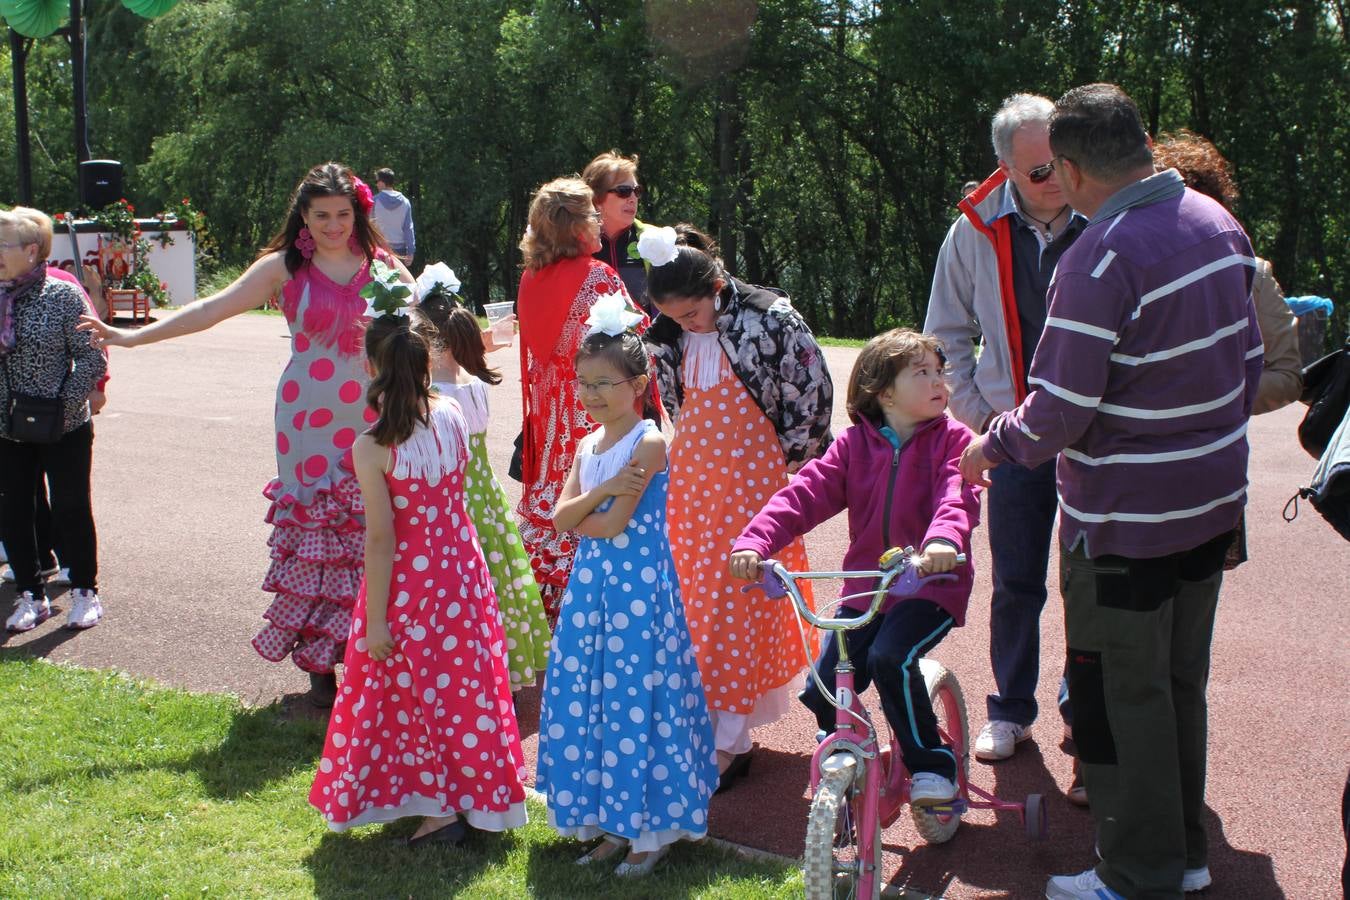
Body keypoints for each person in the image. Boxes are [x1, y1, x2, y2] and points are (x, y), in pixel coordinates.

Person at [957, 84, 1262, 900]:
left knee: (1121, 695)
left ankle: (1137, 873)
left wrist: (992, 448)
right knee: (1175, 685)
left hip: (1125, 522)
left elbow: (1055, 413)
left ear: (1076, 166)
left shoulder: (1102, 256)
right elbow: (1251, 364)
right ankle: (1185, 853)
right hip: (1209, 509)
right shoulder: (1217, 224)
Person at [80, 162, 412, 706]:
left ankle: (368, 653)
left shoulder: (387, 269)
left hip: (376, 416)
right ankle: (321, 670)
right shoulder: (283, 267)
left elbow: (414, 340)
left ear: (359, 213)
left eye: (343, 214)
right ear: (303, 216)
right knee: (320, 530)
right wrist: (130, 338)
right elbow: (210, 309)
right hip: (306, 419)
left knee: (374, 525)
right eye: (321, 215)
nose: (333, 225)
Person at [731, 329, 982, 807]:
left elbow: (957, 498)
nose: (938, 382)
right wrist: (754, 541)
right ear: (884, 392)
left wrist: (943, 542)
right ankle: (850, 747)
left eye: (939, 372)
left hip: (930, 586)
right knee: (824, 682)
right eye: (922, 373)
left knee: (891, 657)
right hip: (866, 590)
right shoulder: (852, 447)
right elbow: (802, 496)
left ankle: (932, 765)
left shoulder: (954, 442)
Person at [309, 309, 527, 844]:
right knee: (465, 689)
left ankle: (437, 808)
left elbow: (382, 539)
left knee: (408, 692)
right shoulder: (452, 413)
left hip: (411, 583)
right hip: (462, 570)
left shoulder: (372, 446)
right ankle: (478, 800)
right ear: (427, 360)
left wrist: (375, 620)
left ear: (369, 365)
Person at [923, 93, 1088, 779]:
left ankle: (1087, 715)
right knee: (1016, 580)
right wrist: (982, 416)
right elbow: (946, 333)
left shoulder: (1107, 209)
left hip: (1096, 434)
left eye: (1062, 162)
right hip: (1014, 432)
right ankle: (1010, 709)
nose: (1056, 178)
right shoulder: (973, 229)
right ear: (1005, 169)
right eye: (1039, 170)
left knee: (1092, 582)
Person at [643, 224, 832, 787]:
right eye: (676, 317)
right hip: (694, 482)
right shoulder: (666, 333)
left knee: (736, 598)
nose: (687, 325)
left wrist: (787, 467)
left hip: (754, 481)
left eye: (693, 313)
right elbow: (675, 404)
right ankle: (711, 723)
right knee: (694, 601)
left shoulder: (771, 318)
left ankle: (730, 738)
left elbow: (812, 394)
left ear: (718, 285)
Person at [536, 317, 716, 877]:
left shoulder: (650, 441)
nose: (590, 394)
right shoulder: (589, 444)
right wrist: (604, 491)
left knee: (640, 700)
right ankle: (614, 823)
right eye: (583, 382)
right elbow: (559, 516)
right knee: (596, 700)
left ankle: (653, 829)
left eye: (604, 383)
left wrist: (595, 503)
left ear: (638, 385)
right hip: (593, 594)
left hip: (638, 596)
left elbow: (608, 527)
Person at [515, 176, 647, 625]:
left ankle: (549, 614)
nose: (597, 221)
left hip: (552, 411)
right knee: (598, 492)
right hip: (593, 407)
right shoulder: (598, 276)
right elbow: (635, 333)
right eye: (592, 214)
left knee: (557, 495)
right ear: (575, 226)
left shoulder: (531, 278)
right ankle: (593, 608)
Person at [414, 289, 550, 690]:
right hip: (484, 493)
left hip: (451, 495)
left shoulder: (434, 396)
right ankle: (502, 659)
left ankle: (460, 665)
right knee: (498, 573)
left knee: (455, 582)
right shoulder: (474, 384)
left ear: (428, 340)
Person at [0, 207, 108, 632]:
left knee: (70, 507)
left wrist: (62, 407)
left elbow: (91, 355)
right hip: (6, 426)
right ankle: (31, 595)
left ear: (31, 251)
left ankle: (85, 590)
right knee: (13, 512)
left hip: (63, 425)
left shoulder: (62, 294)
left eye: (2, 246)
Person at [1152, 131, 1302, 414]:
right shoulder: (1124, 270)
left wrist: (1216, 394)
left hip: (1217, 448)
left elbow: (1287, 375)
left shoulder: (1252, 274)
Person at [582, 151, 653, 308]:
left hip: (647, 332)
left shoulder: (654, 239)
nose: (633, 198)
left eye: (637, 191)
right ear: (596, 198)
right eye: (623, 191)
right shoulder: (573, 244)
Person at [371, 168, 416, 266]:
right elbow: (408, 228)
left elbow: (370, 227)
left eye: (377, 181)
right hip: (401, 252)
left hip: (380, 250)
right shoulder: (405, 202)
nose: (376, 184)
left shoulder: (374, 202)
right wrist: (410, 252)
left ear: (382, 182)